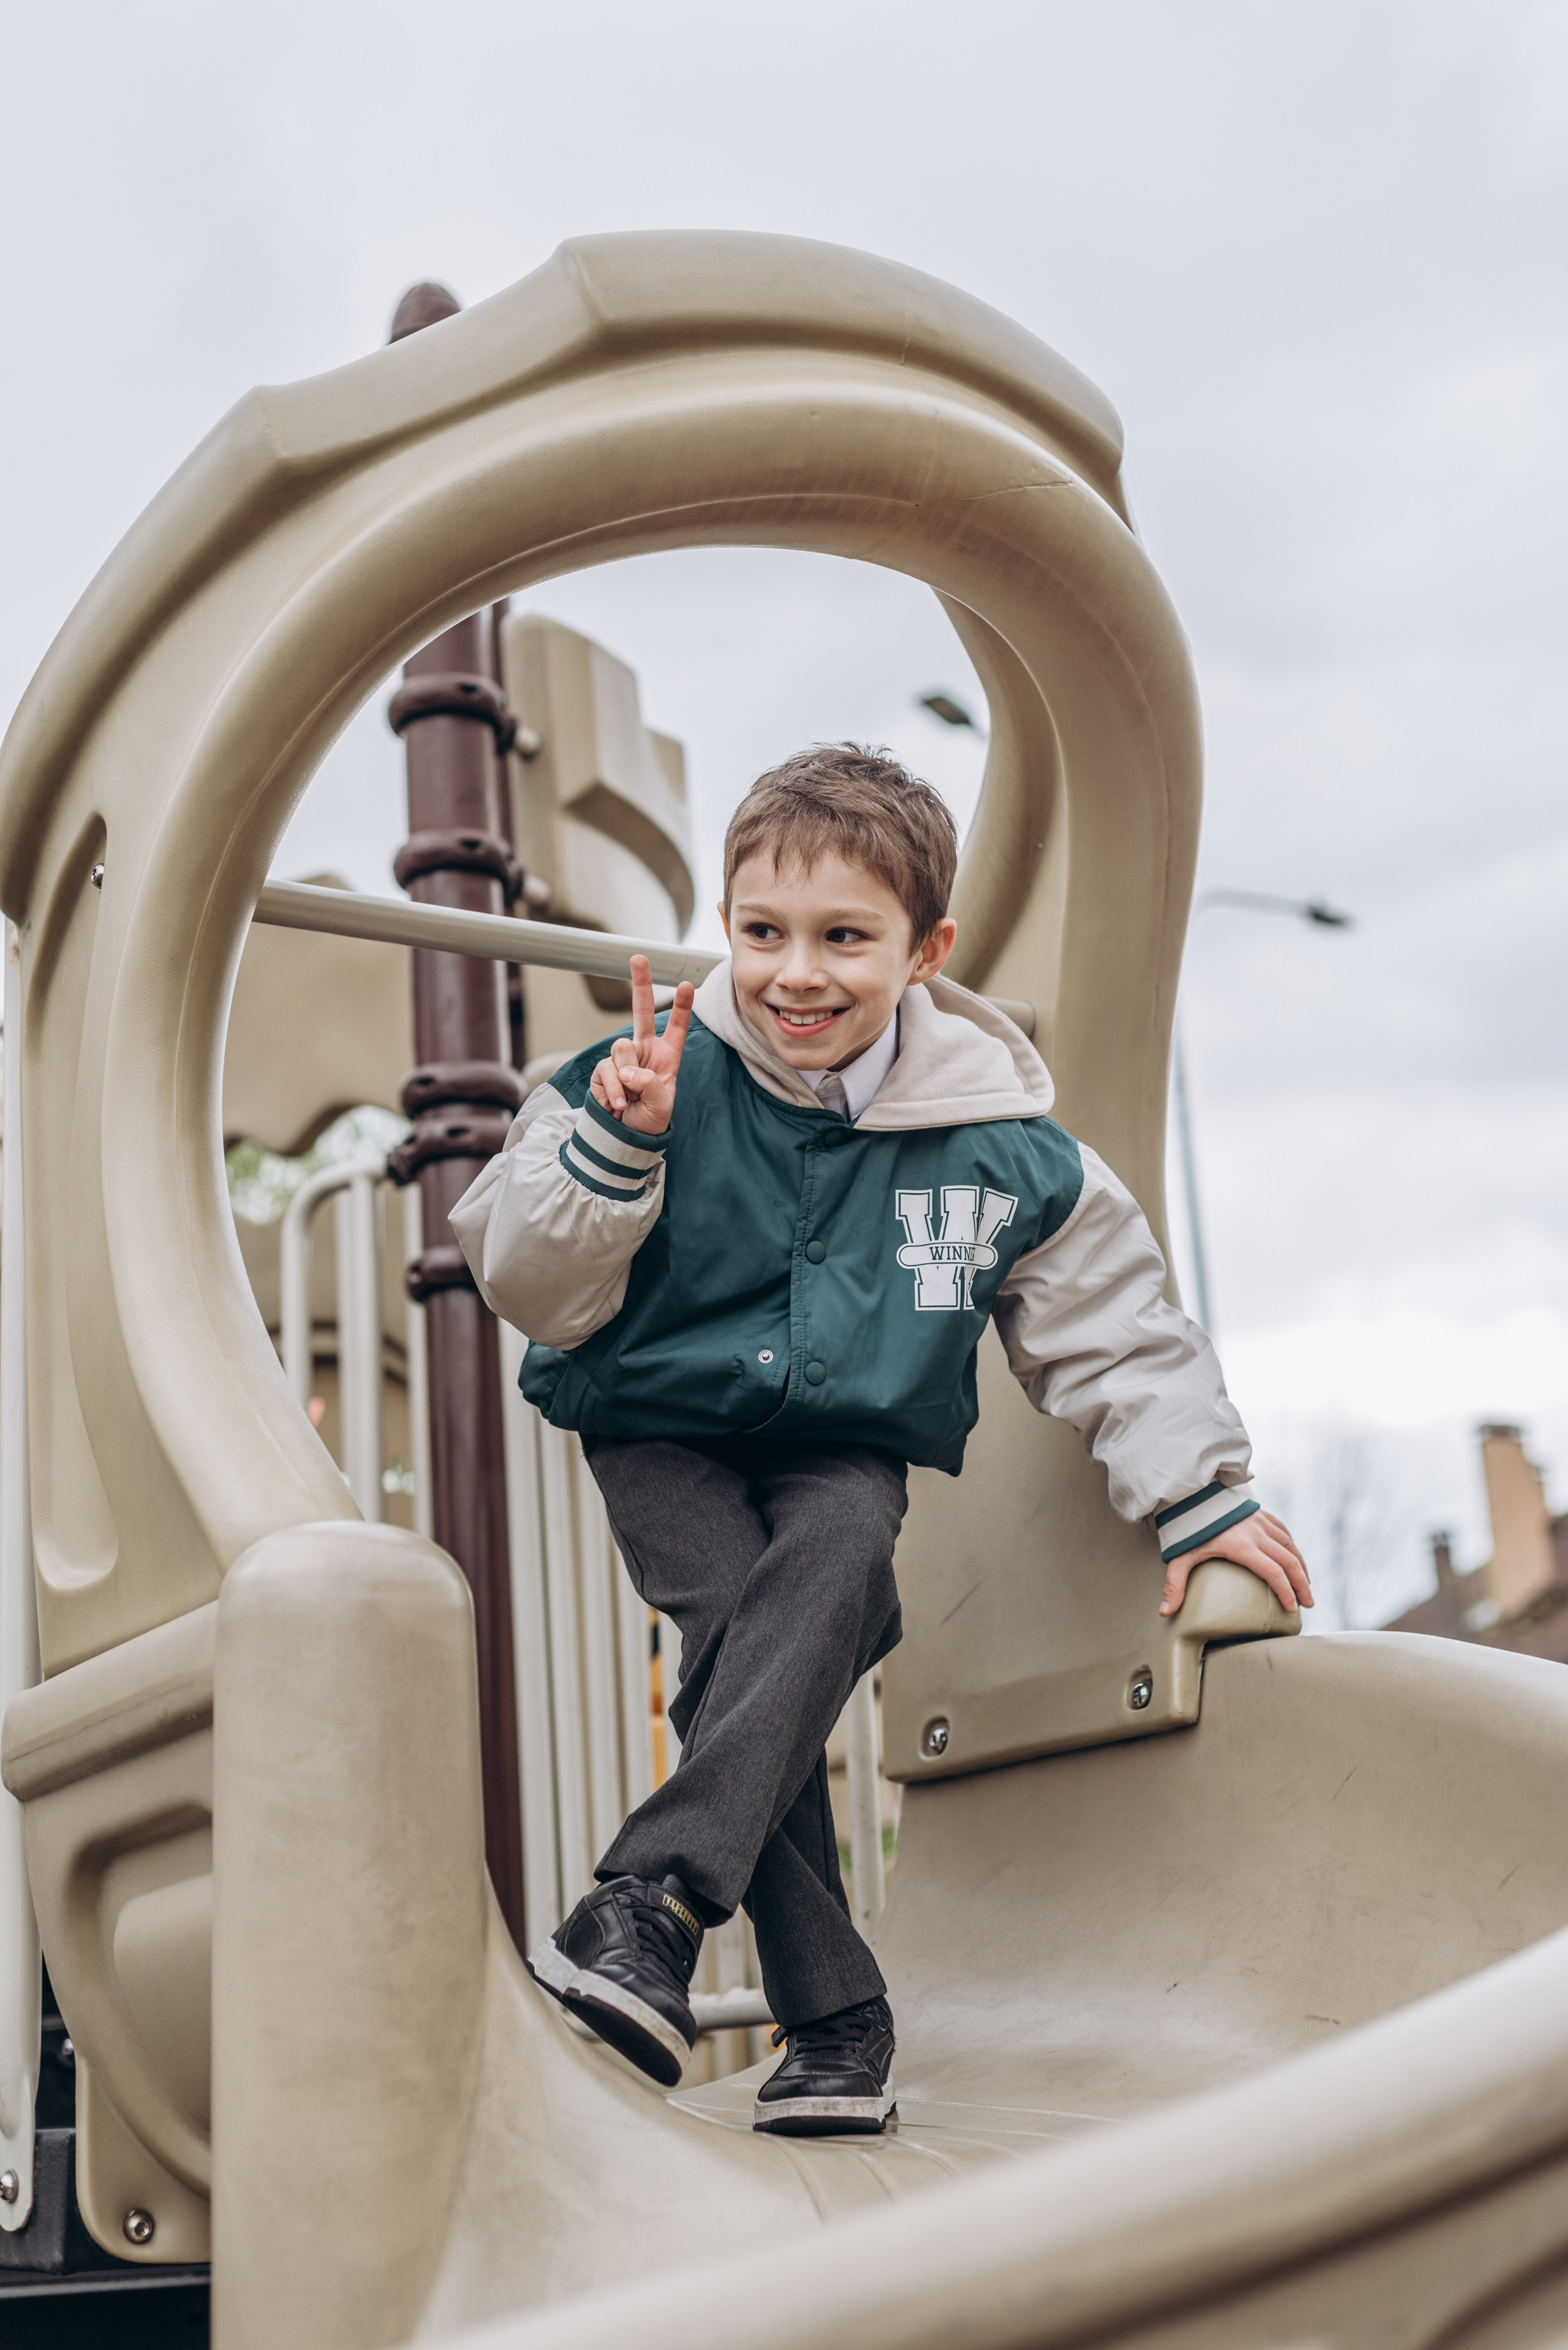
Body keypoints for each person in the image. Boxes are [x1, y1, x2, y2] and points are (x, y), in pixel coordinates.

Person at [452, 743, 1311, 2138]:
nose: (797, 973)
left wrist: (1201, 1497)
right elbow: (524, 1282)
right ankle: (822, 2012)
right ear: (724, 925)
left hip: (840, 1436)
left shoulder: (1002, 1143)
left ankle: (662, 1914)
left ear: (926, 950)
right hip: (657, 1424)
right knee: (751, 1624)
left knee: (832, 1561)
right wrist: (619, 1153)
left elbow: (1113, 1323)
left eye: (845, 937)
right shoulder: (637, 1072)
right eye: (761, 933)